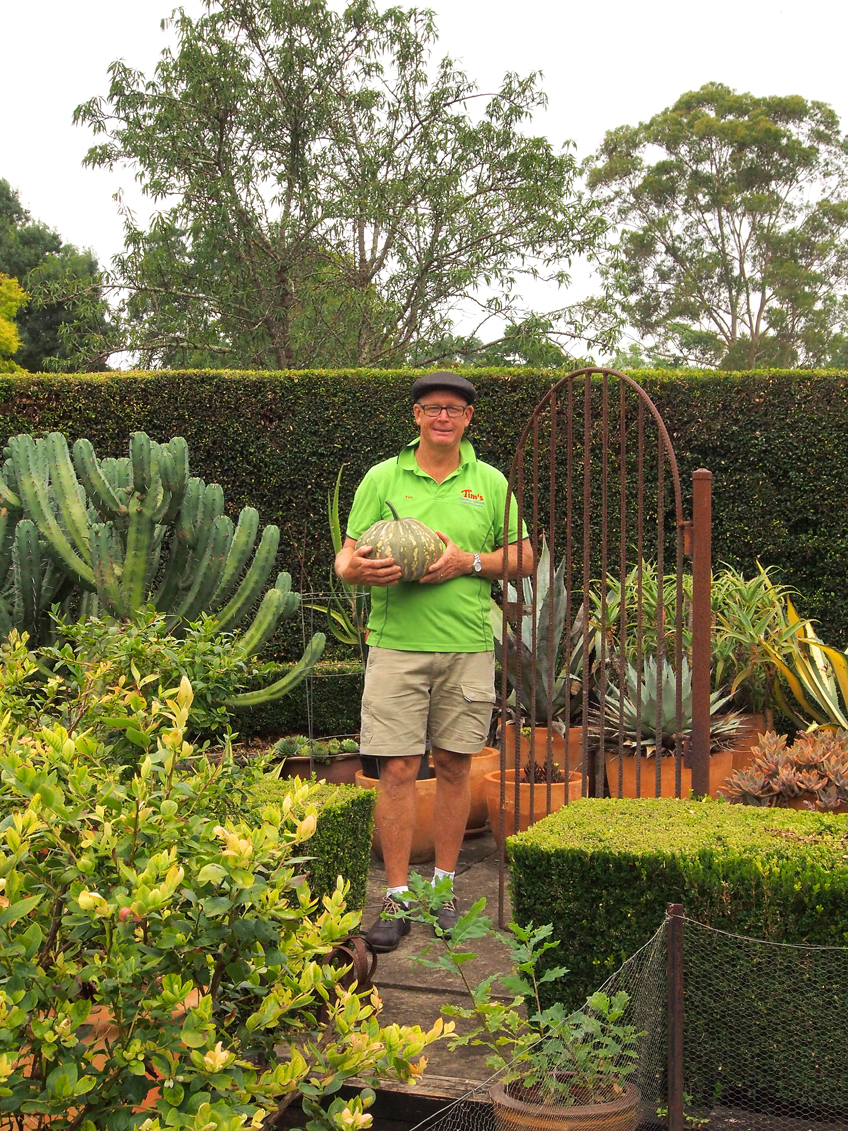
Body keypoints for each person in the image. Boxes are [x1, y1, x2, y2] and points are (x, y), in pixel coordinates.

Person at [334, 371, 534, 952]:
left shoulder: (490, 482)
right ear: (416, 416)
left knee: (452, 766)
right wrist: (356, 570)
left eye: (453, 408)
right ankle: (397, 897)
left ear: (468, 418)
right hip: (395, 645)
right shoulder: (383, 477)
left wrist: (467, 562)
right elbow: (346, 557)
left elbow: (524, 556)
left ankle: (443, 891)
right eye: (432, 407)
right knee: (396, 770)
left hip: (466, 646)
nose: (442, 416)